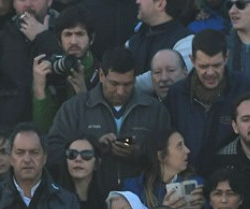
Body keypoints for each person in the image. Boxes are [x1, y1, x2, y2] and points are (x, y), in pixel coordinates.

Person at [47, 47, 170, 194]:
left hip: (141, 198)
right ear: (101, 75)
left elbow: (168, 156)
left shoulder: (154, 110)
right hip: (88, 199)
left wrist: (139, 152)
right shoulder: (74, 108)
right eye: (114, 84)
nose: (120, 91)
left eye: (127, 84)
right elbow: (53, 151)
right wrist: (92, 149)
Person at [164, 30, 250, 173]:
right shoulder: (176, 95)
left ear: (226, 58)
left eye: (216, 65)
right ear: (192, 60)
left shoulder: (245, 88)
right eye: (203, 66)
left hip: (231, 178)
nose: (210, 73)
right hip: (188, 177)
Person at [124, 0, 192, 93]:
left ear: (160, 4)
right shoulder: (133, 41)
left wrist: (124, 84)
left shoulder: (186, 41)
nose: (137, 1)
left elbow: (179, 74)